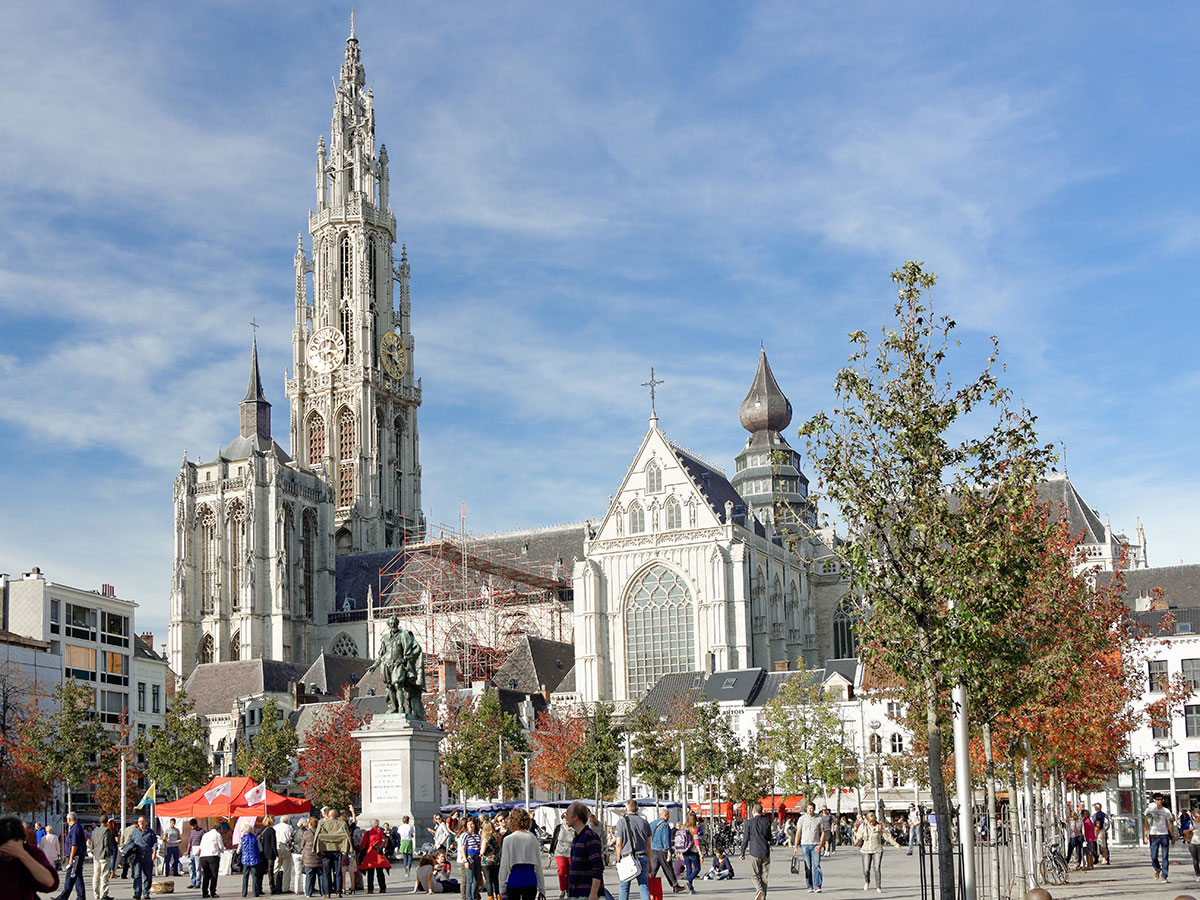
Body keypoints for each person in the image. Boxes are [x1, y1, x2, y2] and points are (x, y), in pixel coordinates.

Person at [1, 814, 59, 900]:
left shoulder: (31, 852)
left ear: (22, 840)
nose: (10, 850)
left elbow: (49, 882)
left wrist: (22, 854)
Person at [497, 808, 544, 900]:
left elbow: (504, 865)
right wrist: (542, 888)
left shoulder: (508, 839)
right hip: (530, 879)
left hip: (514, 879)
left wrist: (502, 887)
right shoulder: (532, 838)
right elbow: (538, 864)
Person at [853, 810, 900, 893]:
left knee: (877, 868)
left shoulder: (879, 827)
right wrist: (857, 839)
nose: (872, 823)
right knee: (866, 869)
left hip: (877, 849)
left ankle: (878, 886)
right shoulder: (863, 826)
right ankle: (867, 881)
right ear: (867, 820)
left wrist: (896, 845)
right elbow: (858, 836)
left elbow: (887, 837)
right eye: (871, 821)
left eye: (874, 821)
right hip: (865, 850)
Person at [564, 803, 603, 900]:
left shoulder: (590, 837)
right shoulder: (577, 837)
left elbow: (597, 867)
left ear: (576, 817)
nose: (565, 817)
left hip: (586, 893)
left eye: (567, 814)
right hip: (575, 892)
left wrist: (594, 893)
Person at [612, 801, 650, 900]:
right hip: (643, 855)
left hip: (627, 857)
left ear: (626, 809)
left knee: (624, 887)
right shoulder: (645, 822)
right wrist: (649, 861)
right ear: (637, 809)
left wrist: (618, 858)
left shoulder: (621, 822)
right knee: (644, 887)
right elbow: (649, 844)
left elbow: (619, 843)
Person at [315, 808, 354, 898]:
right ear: (337, 816)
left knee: (326, 873)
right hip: (338, 850)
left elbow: (317, 836)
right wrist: (348, 850)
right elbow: (347, 837)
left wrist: (318, 849)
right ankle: (338, 892)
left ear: (328, 815)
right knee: (338, 872)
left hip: (325, 850)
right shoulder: (342, 824)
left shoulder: (322, 823)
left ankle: (327, 893)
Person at [648, 810, 684, 895]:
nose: (669, 817)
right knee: (668, 868)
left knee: (653, 869)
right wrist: (668, 850)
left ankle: (647, 885)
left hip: (653, 849)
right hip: (662, 850)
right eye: (668, 816)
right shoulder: (664, 825)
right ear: (665, 815)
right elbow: (665, 839)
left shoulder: (652, 823)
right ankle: (675, 885)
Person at [739, 804, 771, 900]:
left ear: (753, 811)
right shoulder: (766, 821)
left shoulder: (749, 822)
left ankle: (759, 889)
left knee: (754, 874)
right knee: (764, 875)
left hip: (754, 851)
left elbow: (746, 838)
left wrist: (742, 852)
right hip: (765, 851)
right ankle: (763, 896)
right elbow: (769, 837)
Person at [791, 803, 824, 894]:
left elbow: (823, 832)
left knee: (817, 865)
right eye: (808, 808)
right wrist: (796, 845)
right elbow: (798, 832)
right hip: (805, 844)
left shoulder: (819, 819)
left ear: (814, 809)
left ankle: (817, 886)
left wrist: (820, 845)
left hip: (815, 845)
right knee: (808, 866)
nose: (810, 810)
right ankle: (809, 886)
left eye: (811, 808)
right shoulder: (802, 819)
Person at [1145, 792, 1176, 884]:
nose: (1159, 801)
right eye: (1158, 799)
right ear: (1154, 800)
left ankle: (1164, 876)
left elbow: (1169, 823)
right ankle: (1157, 869)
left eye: (1161, 799)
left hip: (1164, 834)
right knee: (1153, 856)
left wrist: (1172, 835)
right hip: (1153, 834)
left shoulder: (1166, 811)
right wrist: (1145, 834)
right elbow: (1146, 822)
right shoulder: (1149, 810)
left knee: (1165, 856)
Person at [54, 814, 86, 900]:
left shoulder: (75, 829)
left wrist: (71, 857)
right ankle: (80, 896)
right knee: (77, 876)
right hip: (76, 855)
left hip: (76, 856)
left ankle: (63, 897)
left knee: (71, 875)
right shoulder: (76, 827)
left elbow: (74, 844)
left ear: (69, 819)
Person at [360, 819, 392, 895]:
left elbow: (363, 845)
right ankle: (382, 888)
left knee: (370, 873)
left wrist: (360, 850)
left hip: (370, 854)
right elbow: (383, 841)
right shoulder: (380, 832)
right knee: (380, 872)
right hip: (378, 854)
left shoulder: (368, 833)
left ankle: (370, 889)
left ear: (371, 825)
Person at [89, 816, 116, 900]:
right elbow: (106, 843)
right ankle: (103, 894)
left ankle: (96, 894)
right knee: (104, 874)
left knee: (96, 875)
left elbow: (92, 843)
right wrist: (110, 852)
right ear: (107, 822)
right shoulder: (106, 830)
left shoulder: (95, 831)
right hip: (104, 854)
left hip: (96, 855)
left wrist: (93, 852)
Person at [549, 814, 573, 900]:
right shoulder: (559, 828)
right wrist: (550, 852)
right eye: (564, 820)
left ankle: (569, 890)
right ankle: (563, 889)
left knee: (570, 873)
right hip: (560, 853)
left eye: (567, 820)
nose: (565, 822)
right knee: (562, 871)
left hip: (571, 853)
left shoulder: (574, 828)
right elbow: (554, 839)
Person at [456, 819, 480, 900]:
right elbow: (463, 848)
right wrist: (465, 860)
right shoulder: (465, 835)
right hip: (470, 857)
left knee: (476, 879)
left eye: (472, 824)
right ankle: (468, 897)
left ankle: (473, 896)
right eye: (469, 824)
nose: (470, 826)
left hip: (477, 857)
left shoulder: (477, 835)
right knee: (469, 879)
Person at [677, 814, 701, 895]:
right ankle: (688, 881)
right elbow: (696, 841)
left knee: (689, 868)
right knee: (697, 868)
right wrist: (700, 853)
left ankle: (690, 888)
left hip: (685, 851)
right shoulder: (695, 829)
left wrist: (679, 852)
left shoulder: (683, 827)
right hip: (693, 851)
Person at [300, 816, 323, 898]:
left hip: (308, 858)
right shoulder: (320, 832)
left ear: (310, 824)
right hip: (318, 857)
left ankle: (308, 893)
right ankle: (322, 892)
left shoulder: (306, 833)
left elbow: (302, 844)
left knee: (309, 876)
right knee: (321, 875)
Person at [241, 822, 264, 898]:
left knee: (245, 876)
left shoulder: (242, 839)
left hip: (245, 859)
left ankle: (244, 892)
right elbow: (260, 849)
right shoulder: (255, 838)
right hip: (254, 858)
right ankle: (255, 892)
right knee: (255, 876)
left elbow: (238, 850)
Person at [479, 821, 501, 900]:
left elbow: (482, 851)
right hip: (496, 860)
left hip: (487, 861)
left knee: (488, 881)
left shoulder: (486, 838)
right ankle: (499, 896)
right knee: (496, 881)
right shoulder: (498, 837)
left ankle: (490, 897)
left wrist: (480, 854)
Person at [274, 816, 296, 895]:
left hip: (277, 847)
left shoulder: (275, 827)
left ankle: (273, 885)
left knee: (276, 867)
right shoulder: (289, 828)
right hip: (286, 847)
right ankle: (285, 887)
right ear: (286, 821)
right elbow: (292, 838)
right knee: (287, 869)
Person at [260, 817, 280, 896]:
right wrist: (277, 855)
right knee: (270, 871)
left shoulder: (261, 830)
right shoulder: (271, 831)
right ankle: (272, 888)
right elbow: (273, 844)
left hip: (262, 853)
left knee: (261, 872)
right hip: (270, 854)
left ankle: (259, 888)